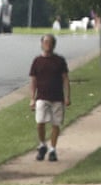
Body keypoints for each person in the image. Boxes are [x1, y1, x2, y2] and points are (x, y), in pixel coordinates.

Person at [30, 33, 71, 161]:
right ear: (42, 44)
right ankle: (42, 144)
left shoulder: (59, 61)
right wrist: (32, 98)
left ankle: (53, 149)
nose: (48, 45)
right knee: (40, 122)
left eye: (50, 43)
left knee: (55, 123)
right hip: (42, 96)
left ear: (54, 45)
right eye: (46, 42)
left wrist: (67, 96)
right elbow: (33, 80)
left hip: (57, 97)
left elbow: (65, 79)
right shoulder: (37, 61)